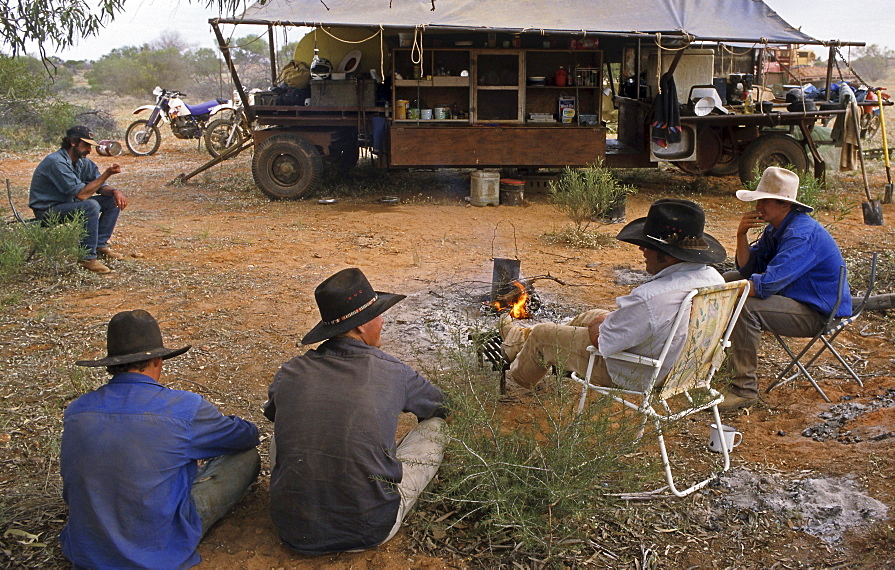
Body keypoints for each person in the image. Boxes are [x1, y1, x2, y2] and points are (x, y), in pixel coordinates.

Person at [264, 268, 448, 554]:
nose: (383, 320)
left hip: (293, 529)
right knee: (437, 427)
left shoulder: (290, 371)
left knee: (289, 425)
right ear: (361, 326)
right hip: (370, 528)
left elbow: (275, 415)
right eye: (377, 314)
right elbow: (441, 407)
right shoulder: (394, 371)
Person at [60, 310, 261, 569]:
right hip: (158, 547)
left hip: (88, 548)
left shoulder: (77, 410)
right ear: (158, 360)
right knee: (245, 457)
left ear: (111, 364)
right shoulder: (184, 408)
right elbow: (247, 436)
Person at [501, 199, 726, 391]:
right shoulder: (714, 279)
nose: (642, 250)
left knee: (544, 335)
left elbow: (602, 339)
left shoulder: (652, 296)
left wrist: (599, 325)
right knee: (591, 315)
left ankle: (518, 378)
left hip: (639, 373)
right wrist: (599, 321)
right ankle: (516, 341)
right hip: (683, 365)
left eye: (647, 246)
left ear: (666, 254)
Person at [720, 166, 852, 412]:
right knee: (729, 277)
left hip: (818, 312)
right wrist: (741, 235)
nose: (759, 206)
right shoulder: (776, 228)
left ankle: (743, 391)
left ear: (786, 205)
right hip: (795, 298)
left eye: (766, 201)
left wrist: (721, 293)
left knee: (745, 307)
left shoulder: (800, 234)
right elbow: (749, 269)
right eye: (759, 199)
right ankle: (722, 368)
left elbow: (766, 285)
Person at [29, 125, 128, 274]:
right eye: (86, 145)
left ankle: (100, 245)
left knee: (111, 200)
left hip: (67, 205)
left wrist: (115, 191)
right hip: (47, 211)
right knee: (91, 205)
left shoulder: (82, 162)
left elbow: (99, 185)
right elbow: (82, 195)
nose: (89, 150)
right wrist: (107, 174)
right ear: (73, 142)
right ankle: (86, 258)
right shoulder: (56, 162)